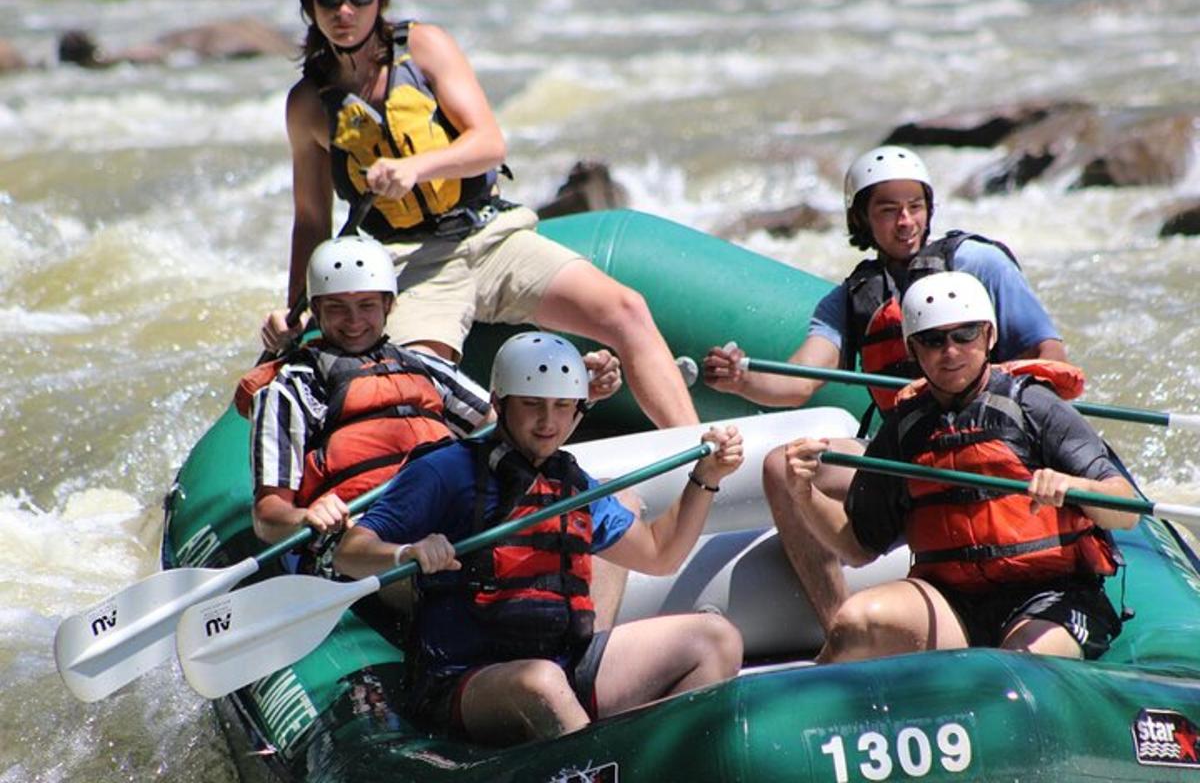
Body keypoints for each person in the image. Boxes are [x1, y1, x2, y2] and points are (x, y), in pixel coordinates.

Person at [261, 0, 698, 429]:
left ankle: (697, 452)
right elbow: (311, 220)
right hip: (410, 263)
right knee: (416, 386)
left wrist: (417, 167)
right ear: (311, 6)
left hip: (490, 236)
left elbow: (489, 143)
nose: (345, 10)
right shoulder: (307, 104)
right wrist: (297, 308)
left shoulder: (425, 46)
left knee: (626, 309)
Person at [702, 144, 1067, 633]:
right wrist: (742, 377)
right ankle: (838, 628)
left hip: (988, 445)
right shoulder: (850, 298)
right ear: (862, 219)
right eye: (888, 210)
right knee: (780, 465)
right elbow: (800, 381)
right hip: (903, 450)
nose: (905, 221)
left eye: (915, 206)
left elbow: (1051, 356)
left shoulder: (978, 264)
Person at [334, 331, 744, 745]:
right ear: (499, 403)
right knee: (541, 682)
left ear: (578, 412)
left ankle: (648, 761)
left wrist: (704, 479)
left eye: (562, 407)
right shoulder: (446, 470)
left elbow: (660, 555)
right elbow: (349, 552)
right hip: (461, 682)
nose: (548, 422)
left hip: (565, 665)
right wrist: (406, 551)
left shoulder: (573, 486)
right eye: (532, 405)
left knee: (715, 639)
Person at [783, 271, 1136, 664]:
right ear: (913, 350)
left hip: (1052, 595)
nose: (950, 351)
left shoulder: (1035, 406)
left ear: (989, 337)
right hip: (952, 602)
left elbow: (1125, 510)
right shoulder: (906, 429)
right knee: (854, 623)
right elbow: (856, 546)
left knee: (1019, 661)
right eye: (933, 340)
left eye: (965, 334)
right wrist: (805, 495)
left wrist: (1072, 486)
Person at [241, 236, 622, 577]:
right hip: (366, 539)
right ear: (317, 310)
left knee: (596, 511)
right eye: (338, 307)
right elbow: (268, 516)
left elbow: (508, 428)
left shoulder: (423, 365)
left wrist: (572, 395)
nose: (354, 320)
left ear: (388, 305)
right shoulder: (291, 388)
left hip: (453, 510)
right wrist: (306, 516)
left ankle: (583, 644)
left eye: (367, 305)